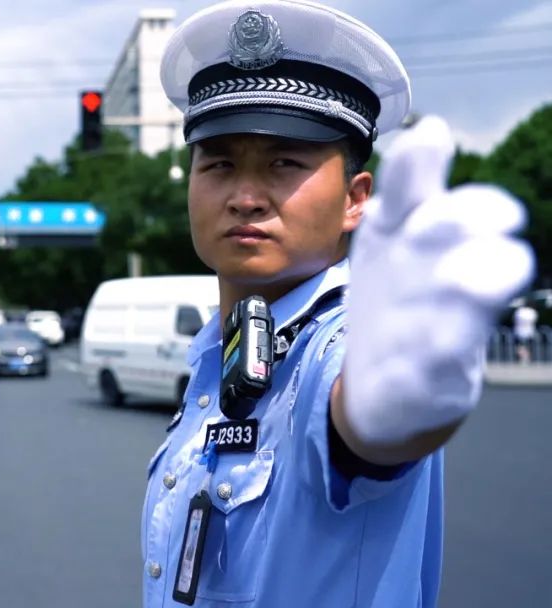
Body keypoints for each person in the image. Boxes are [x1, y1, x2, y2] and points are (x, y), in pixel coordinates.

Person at [143, 2, 534, 607]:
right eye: (218, 163)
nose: (245, 196)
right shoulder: (218, 351)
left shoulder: (342, 345)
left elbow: (361, 426)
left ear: (356, 199)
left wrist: (394, 409)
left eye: (284, 163)